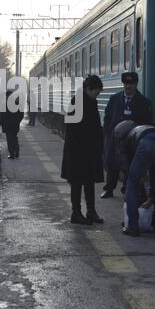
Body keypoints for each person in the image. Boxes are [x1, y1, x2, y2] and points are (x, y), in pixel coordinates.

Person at [114, 120, 155, 236]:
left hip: (146, 144)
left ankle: (133, 227)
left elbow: (125, 165)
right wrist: (151, 195)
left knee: (132, 183)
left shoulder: (125, 140)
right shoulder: (142, 128)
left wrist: (134, 177)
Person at [101, 71, 153, 199]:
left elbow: (147, 122)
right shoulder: (115, 98)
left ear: (136, 84)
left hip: (131, 140)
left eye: (130, 84)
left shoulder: (144, 102)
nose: (127, 87)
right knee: (112, 164)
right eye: (125, 84)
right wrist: (108, 130)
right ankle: (109, 189)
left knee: (128, 165)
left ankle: (126, 190)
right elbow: (107, 115)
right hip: (115, 137)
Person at [61, 75, 104, 225]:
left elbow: (95, 124)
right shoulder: (77, 101)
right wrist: (83, 147)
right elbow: (73, 129)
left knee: (89, 182)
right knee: (77, 182)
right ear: (88, 88)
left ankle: (91, 212)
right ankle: (76, 213)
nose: (97, 94)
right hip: (77, 151)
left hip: (89, 150)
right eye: (96, 92)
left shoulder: (91, 101)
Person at [0, 90, 24, 159]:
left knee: (9, 139)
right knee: (14, 138)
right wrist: (18, 121)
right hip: (15, 125)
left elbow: (1, 115)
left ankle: (12, 154)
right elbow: (21, 115)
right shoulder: (17, 103)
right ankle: (16, 152)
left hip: (7, 125)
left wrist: (1, 123)